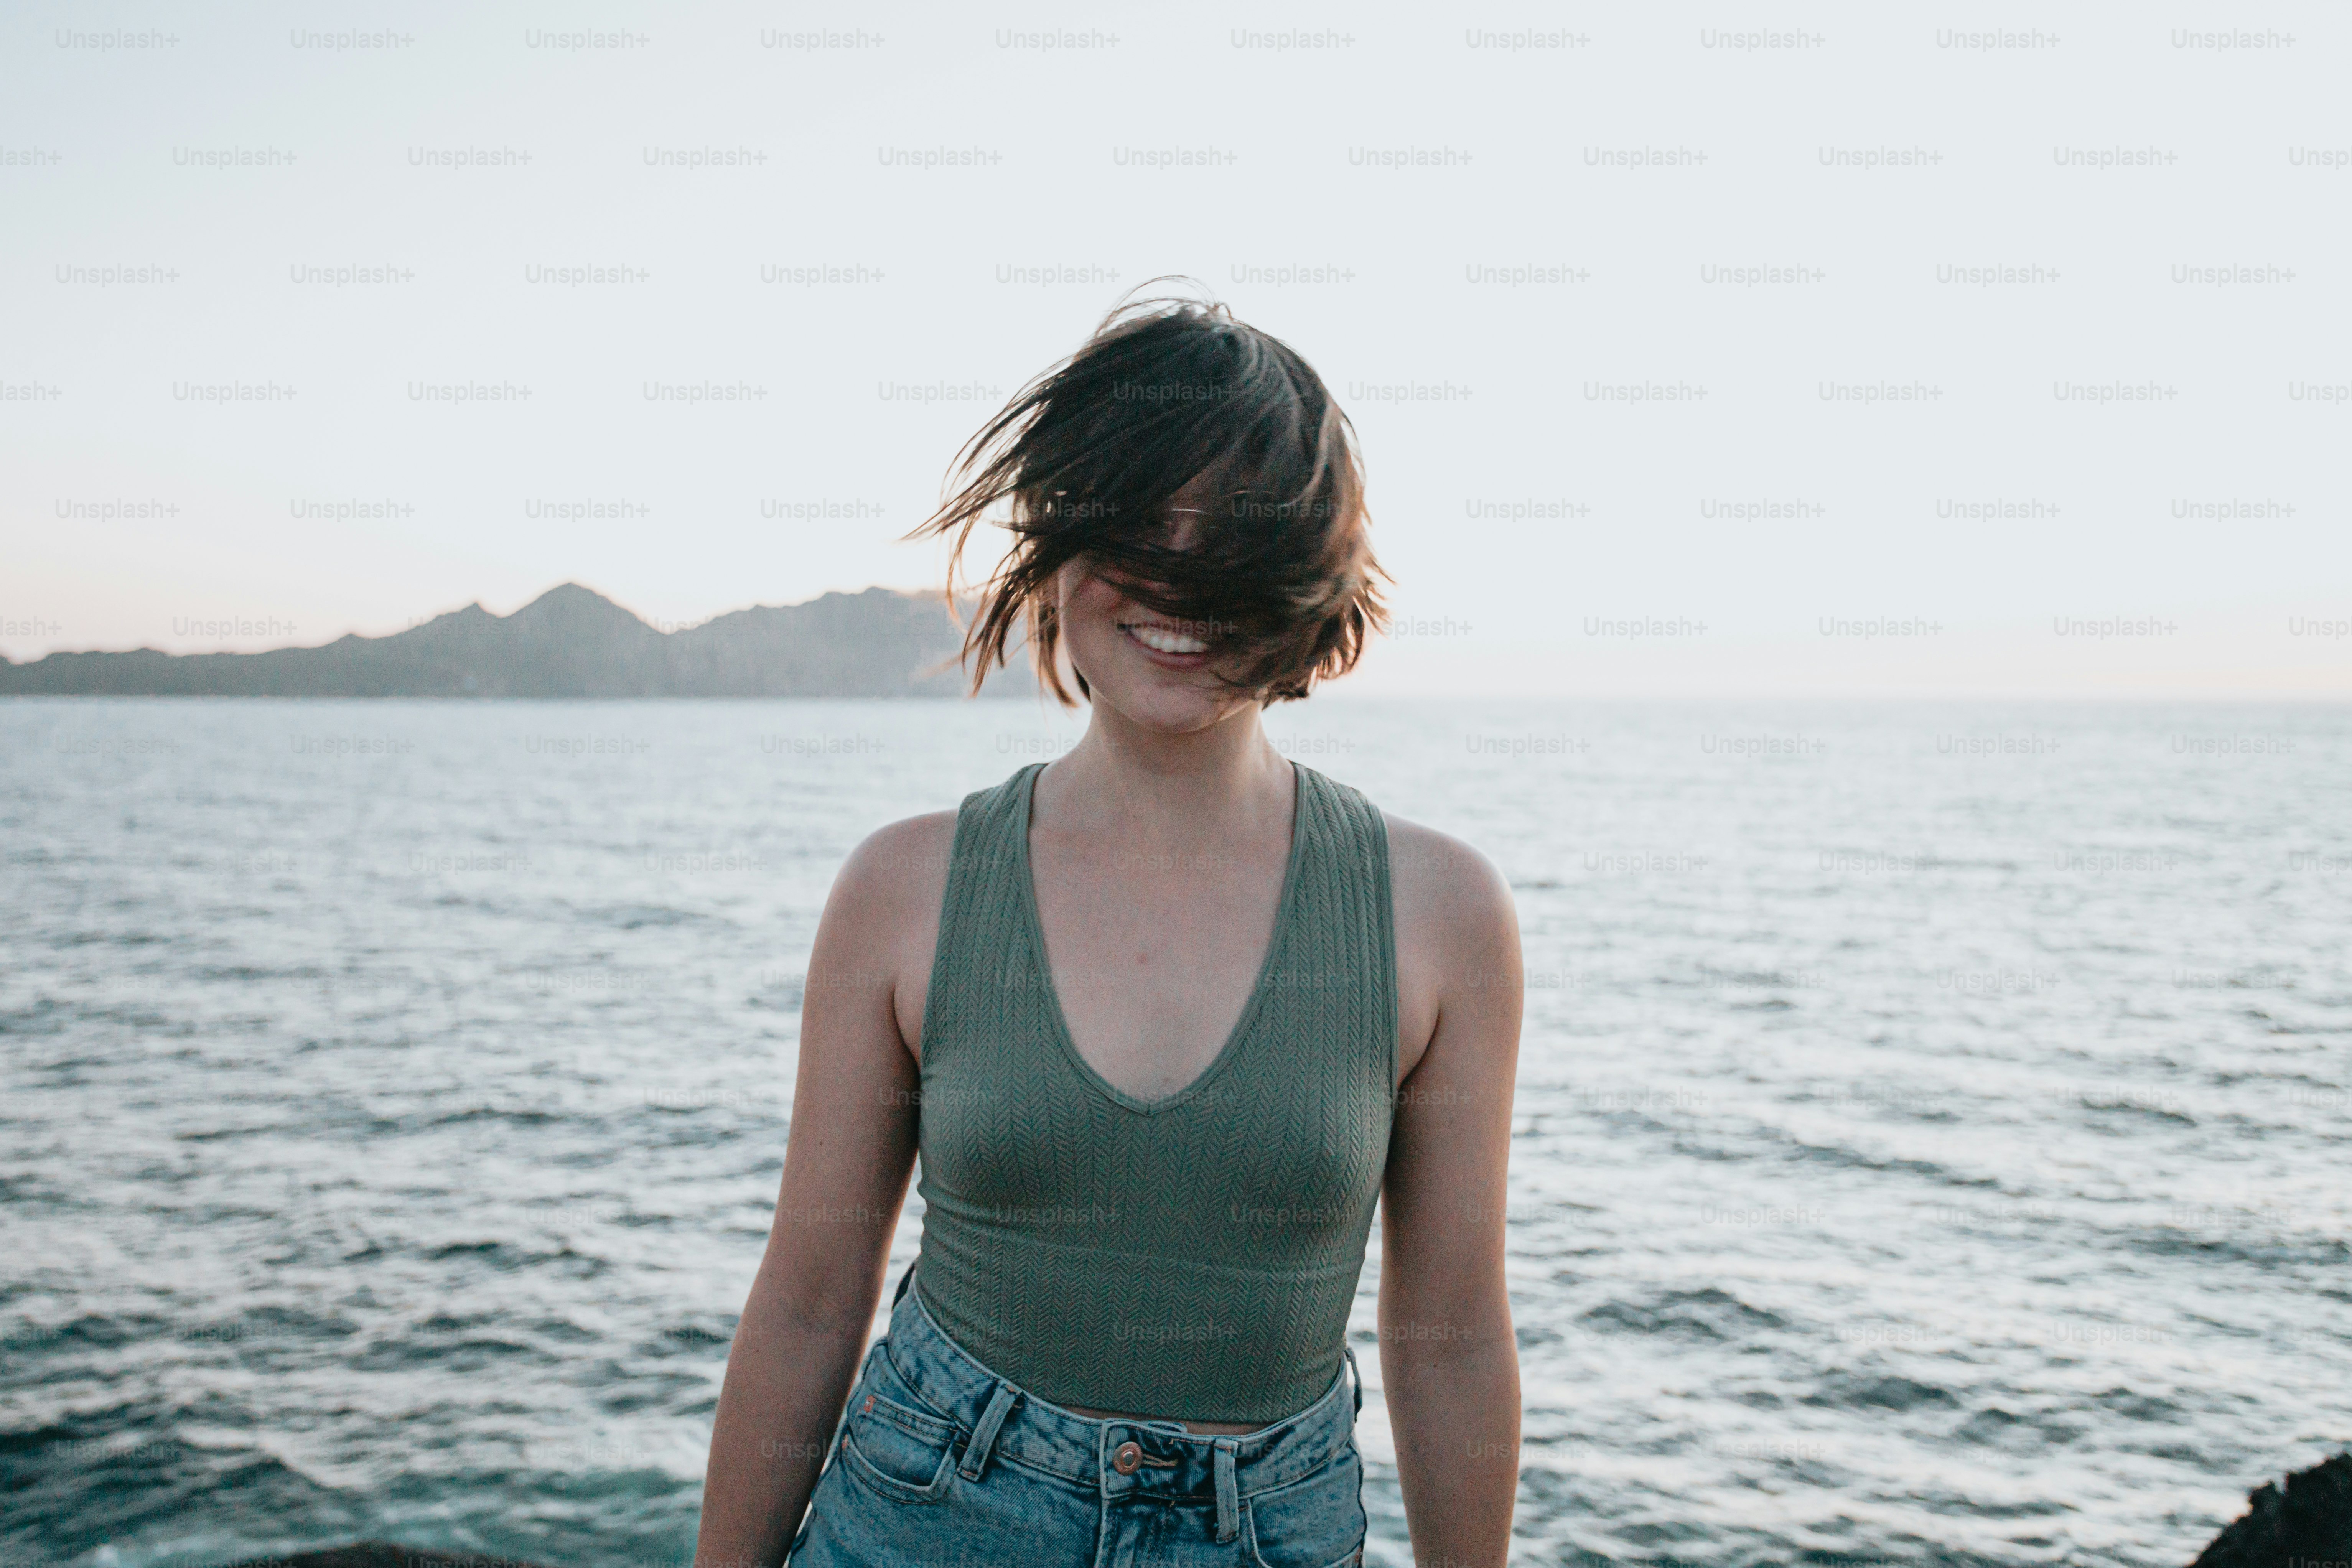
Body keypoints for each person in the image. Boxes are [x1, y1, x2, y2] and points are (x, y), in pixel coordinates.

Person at [694, 287, 1523, 1567]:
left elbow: (1455, 1334)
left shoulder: (1439, 913)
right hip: (922, 1514)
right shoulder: (904, 889)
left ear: (1309, 581)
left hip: (1270, 1530)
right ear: (1055, 537)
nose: (1175, 581)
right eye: (1135, 522)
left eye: (1234, 539)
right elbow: (809, 1301)